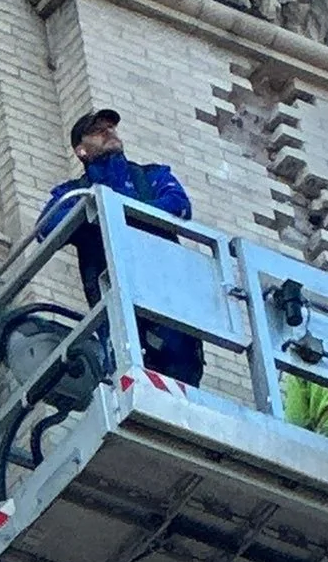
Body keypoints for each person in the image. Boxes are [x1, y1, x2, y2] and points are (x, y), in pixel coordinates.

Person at [37, 110, 204, 386]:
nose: (109, 132)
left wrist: (117, 212)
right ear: (81, 150)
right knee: (122, 374)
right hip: (113, 295)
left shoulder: (149, 176)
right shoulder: (76, 192)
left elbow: (179, 205)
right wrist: (87, 210)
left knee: (182, 373)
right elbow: (46, 228)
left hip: (167, 294)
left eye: (111, 127)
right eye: (98, 131)